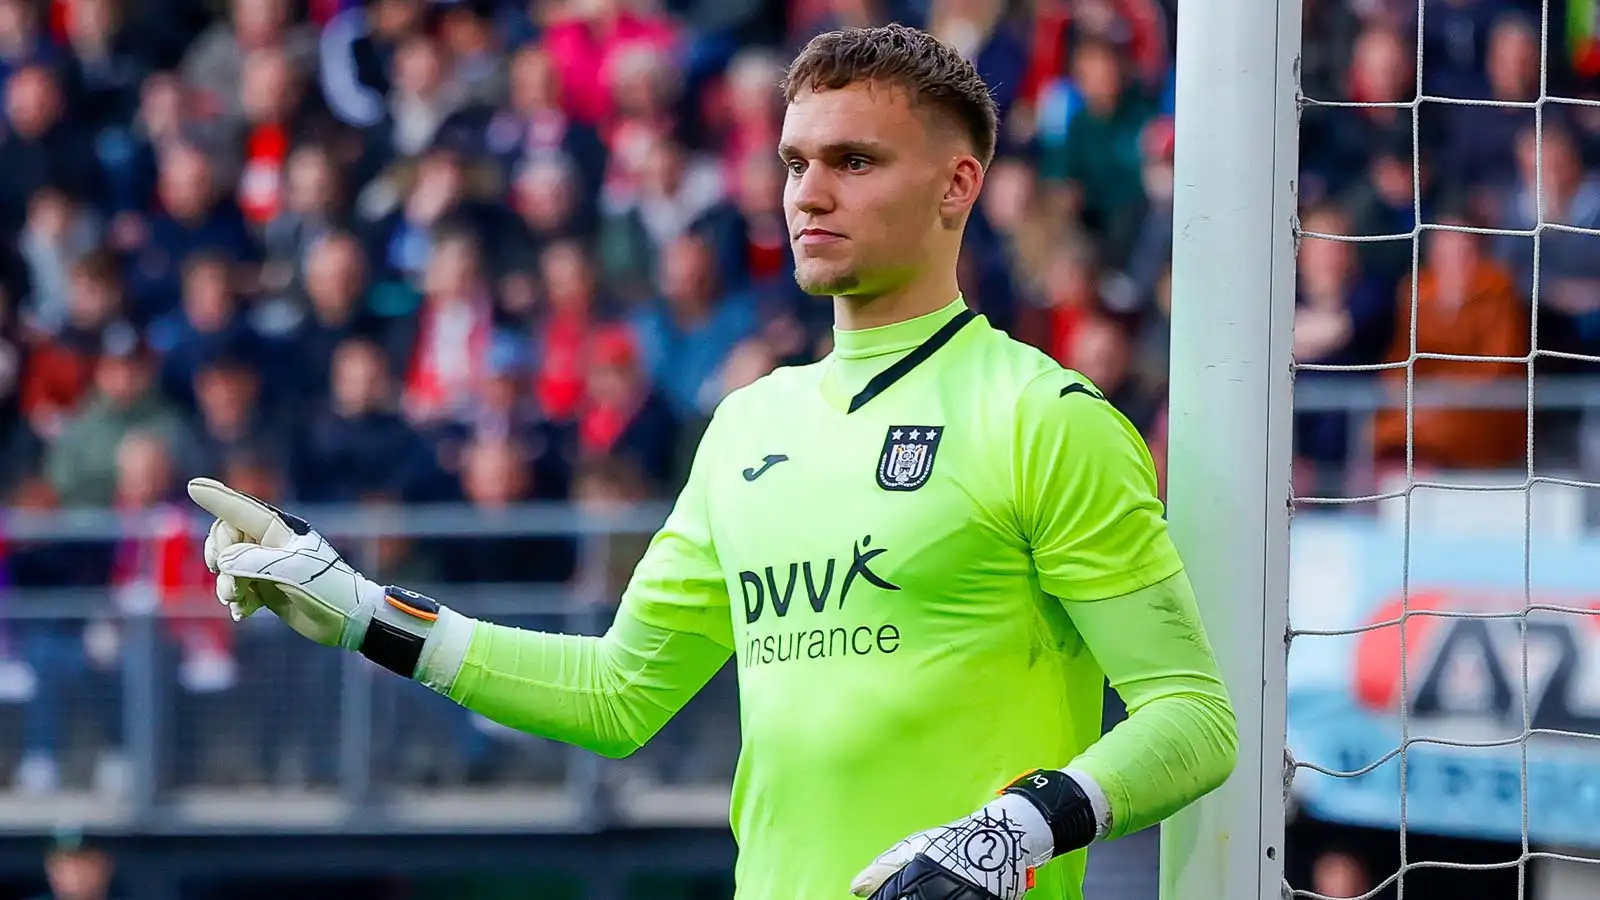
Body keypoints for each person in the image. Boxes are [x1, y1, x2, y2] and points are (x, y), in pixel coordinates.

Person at [186, 24, 1238, 900]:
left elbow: (1192, 720)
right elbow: (618, 693)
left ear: (958, 183)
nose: (808, 194)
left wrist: (1016, 831)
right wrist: (361, 611)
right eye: (794, 163)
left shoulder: (1043, 418)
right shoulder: (747, 428)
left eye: (854, 162)